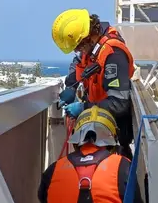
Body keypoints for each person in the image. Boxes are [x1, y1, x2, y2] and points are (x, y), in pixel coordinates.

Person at [52, 9, 136, 158]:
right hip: (96, 131)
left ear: (88, 36)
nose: (78, 51)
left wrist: (83, 108)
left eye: (78, 46)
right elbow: (78, 64)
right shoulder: (91, 50)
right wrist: (71, 87)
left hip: (112, 139)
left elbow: (119, 103)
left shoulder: (113, 54)